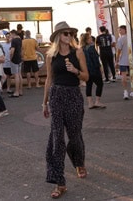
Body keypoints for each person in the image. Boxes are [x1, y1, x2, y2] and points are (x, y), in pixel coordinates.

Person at [42, 21, 89, 199]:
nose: (68, 36)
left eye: (70, 33)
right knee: (56, 139)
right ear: (58, 37)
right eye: (65, 33)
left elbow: (86, 76)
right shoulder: (51, 56)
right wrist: (44, 103)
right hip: (56, 96)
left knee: (75, 136)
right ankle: (59, 182)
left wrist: (75, 71)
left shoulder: (78, 52)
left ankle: (79, 162)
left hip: (73, 96)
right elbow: (48, 80)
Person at [80, 33, 105, 109]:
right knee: (100, 84)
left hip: (86, 70)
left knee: (89, 85)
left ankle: (90, 103)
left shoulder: (81, 49)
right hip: (94, 69)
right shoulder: (91, 48)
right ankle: (97, 101)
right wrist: (100, 68)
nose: (91, 39)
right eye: (90, 38)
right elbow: (96, 60)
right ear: (86, 40)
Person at [116, 25, 132, 99]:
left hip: (123, 60)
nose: (119, 31)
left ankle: (125, 92)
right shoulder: (131, 37)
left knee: (124, 76)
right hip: (131, 59)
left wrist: (117, 60)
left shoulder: (120, 39)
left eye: (120, 30)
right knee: (132, 75)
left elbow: (118, 50)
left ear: (124, 30)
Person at [8, 29, 23, 97]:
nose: (10, 36)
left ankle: (16, 92)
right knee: (19, 75)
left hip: (14, 59)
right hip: (19, 58)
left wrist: (10, 58)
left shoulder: (13, 40)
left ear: (13, 34)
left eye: (10, 34)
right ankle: (20, 90)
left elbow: (12, 51)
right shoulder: (20, 40)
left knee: (16, 75)